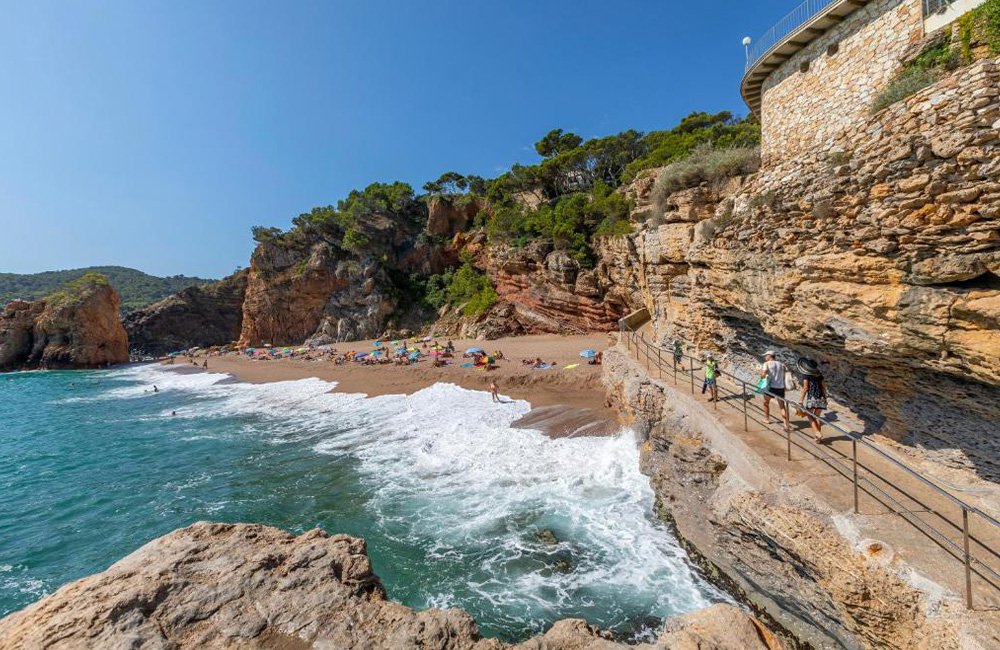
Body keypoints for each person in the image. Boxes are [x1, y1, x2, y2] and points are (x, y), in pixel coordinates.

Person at [797, 358, 829, 443]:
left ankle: (817, 433)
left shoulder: (806, 374)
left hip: (812, 398)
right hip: (821, 398)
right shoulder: (819, 374)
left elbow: (805, 388)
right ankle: (818, 439)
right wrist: (825, 398)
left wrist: (801, 400)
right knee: (817, 417)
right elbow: (823, 387)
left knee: (809, 415)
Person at [759, 351, 789, 430]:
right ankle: (786, 425)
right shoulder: (781, 364)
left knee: (766, 403)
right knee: (782, 407)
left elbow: (763, 376)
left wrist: (760, 372)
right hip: (780, 387)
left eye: (766, 356)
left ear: (769, 356)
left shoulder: (767, 364)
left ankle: (766, 419)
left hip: (771, 387)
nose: (765, 357)